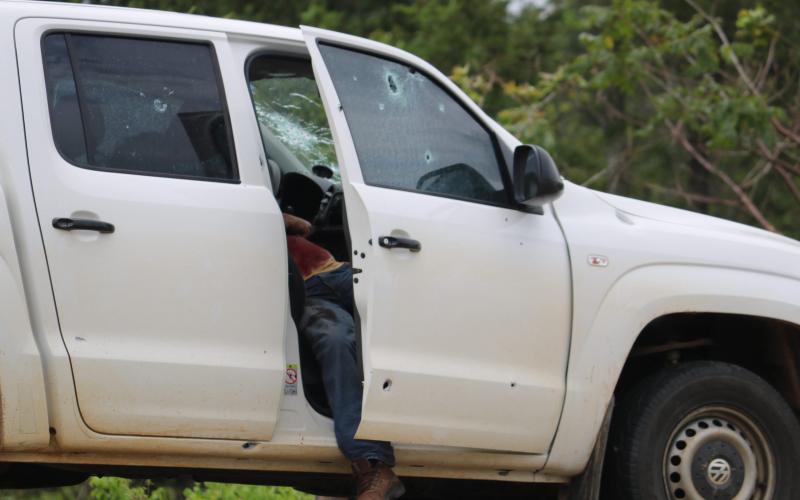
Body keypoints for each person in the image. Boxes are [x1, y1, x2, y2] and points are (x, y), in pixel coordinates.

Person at [283, 213, 405, 500]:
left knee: (400, 305)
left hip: (338, 273)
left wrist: (275, 218)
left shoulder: (270, 215)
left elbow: (305, 225)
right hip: (305, 295)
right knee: (337, 341)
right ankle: (371, 466)